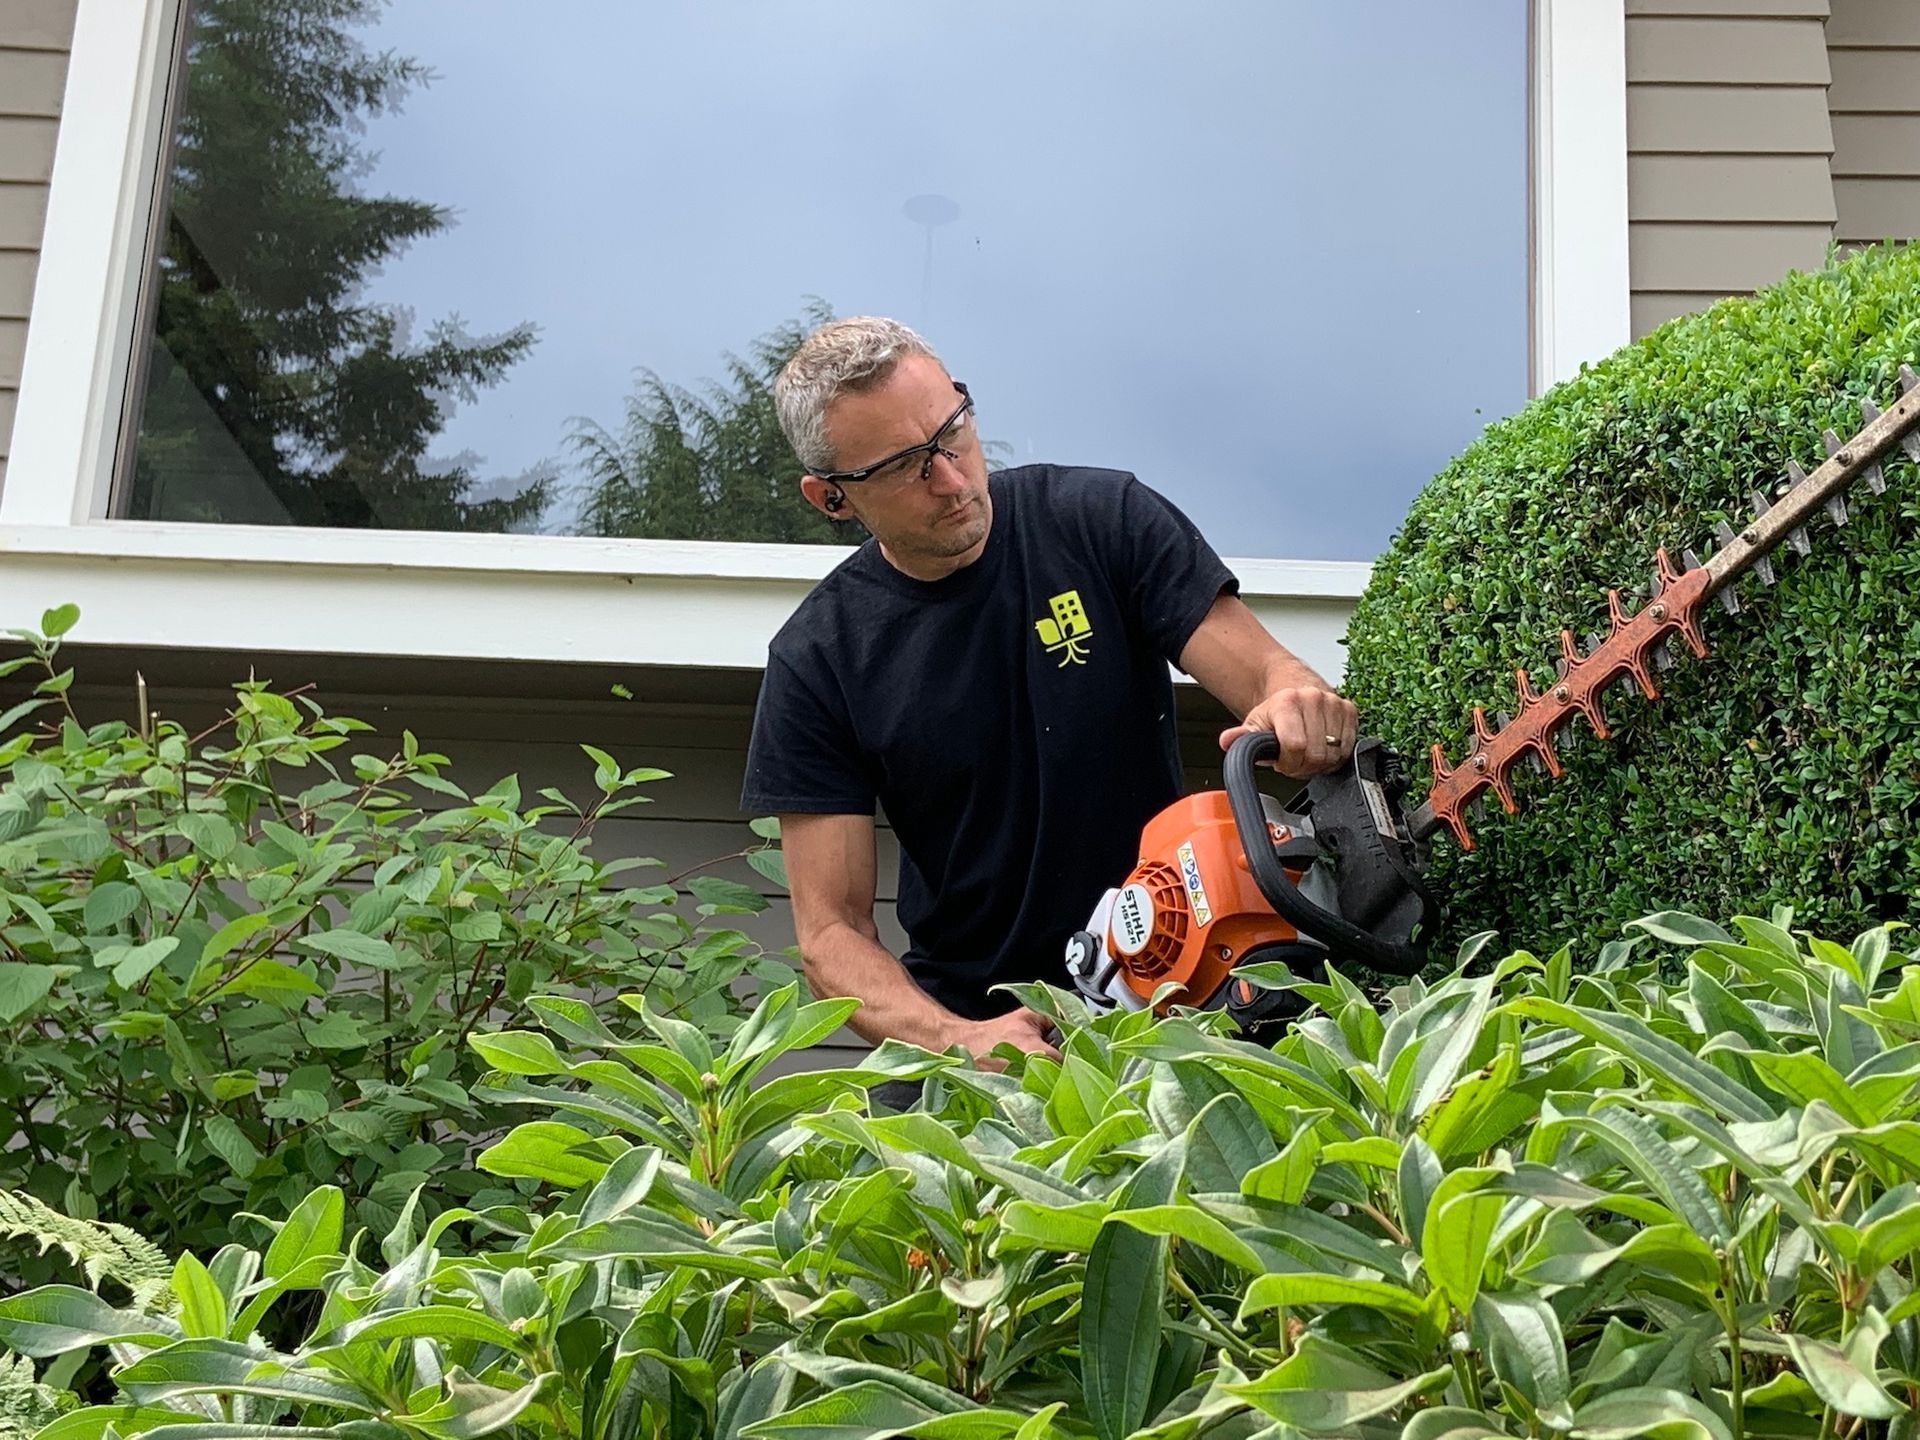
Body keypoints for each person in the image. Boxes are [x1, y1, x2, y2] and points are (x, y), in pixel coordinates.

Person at [740, 316, 1357, 1082]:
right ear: (831, 498)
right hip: (986, 1038)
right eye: (908, 466)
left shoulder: (1102, 522)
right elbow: (831, 935)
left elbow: (1272, 678)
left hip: (1184, 992)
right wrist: (953, 1037)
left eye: (954, 430)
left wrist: (1298, 704)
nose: (955, 479)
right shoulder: (819, 659)